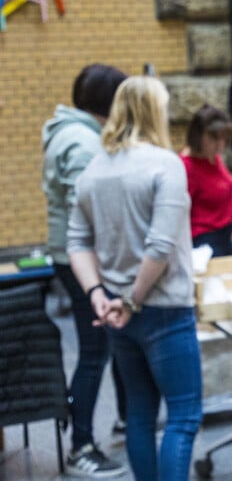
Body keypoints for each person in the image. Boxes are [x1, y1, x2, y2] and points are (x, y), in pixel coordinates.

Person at [67, 76, 203, 481]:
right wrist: (131, 299)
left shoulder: (93, 170)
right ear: (152, 112)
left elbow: (77, 241)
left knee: (141, 415)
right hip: (162, 310)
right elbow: (160, 247)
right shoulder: (166, 164)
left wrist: (98, 294)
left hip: (117, 314)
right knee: (183, 415)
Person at [42, 64, 128, 478]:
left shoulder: (72, 132)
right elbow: (89, 209)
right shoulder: (80, 140)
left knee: (106, 347)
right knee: (94, 354)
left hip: (78, 257)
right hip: (84, 261)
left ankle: (124, 421)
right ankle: (81, 446)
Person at [181, 103, 232, 257]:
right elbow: (179, 212)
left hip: (225, 235)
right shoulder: (186, 167)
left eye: (223, 138)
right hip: (203, 243)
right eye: (214, 138)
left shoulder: (213, 158)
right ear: (198, 135)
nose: (220, 144)